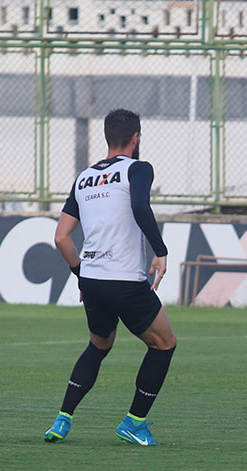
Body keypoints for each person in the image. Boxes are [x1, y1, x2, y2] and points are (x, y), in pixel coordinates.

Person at [44, 109, 178, 446]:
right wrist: (159, 250)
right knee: (163, 344)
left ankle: (63, 419)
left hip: (91, 278)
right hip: (124, 279)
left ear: (107, 138)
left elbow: (61, 237)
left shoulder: (84, 178)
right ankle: (134, 422)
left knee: (98, 345)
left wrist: (79, 275)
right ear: (136, 138)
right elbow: (139, 206)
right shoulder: (138, 168)